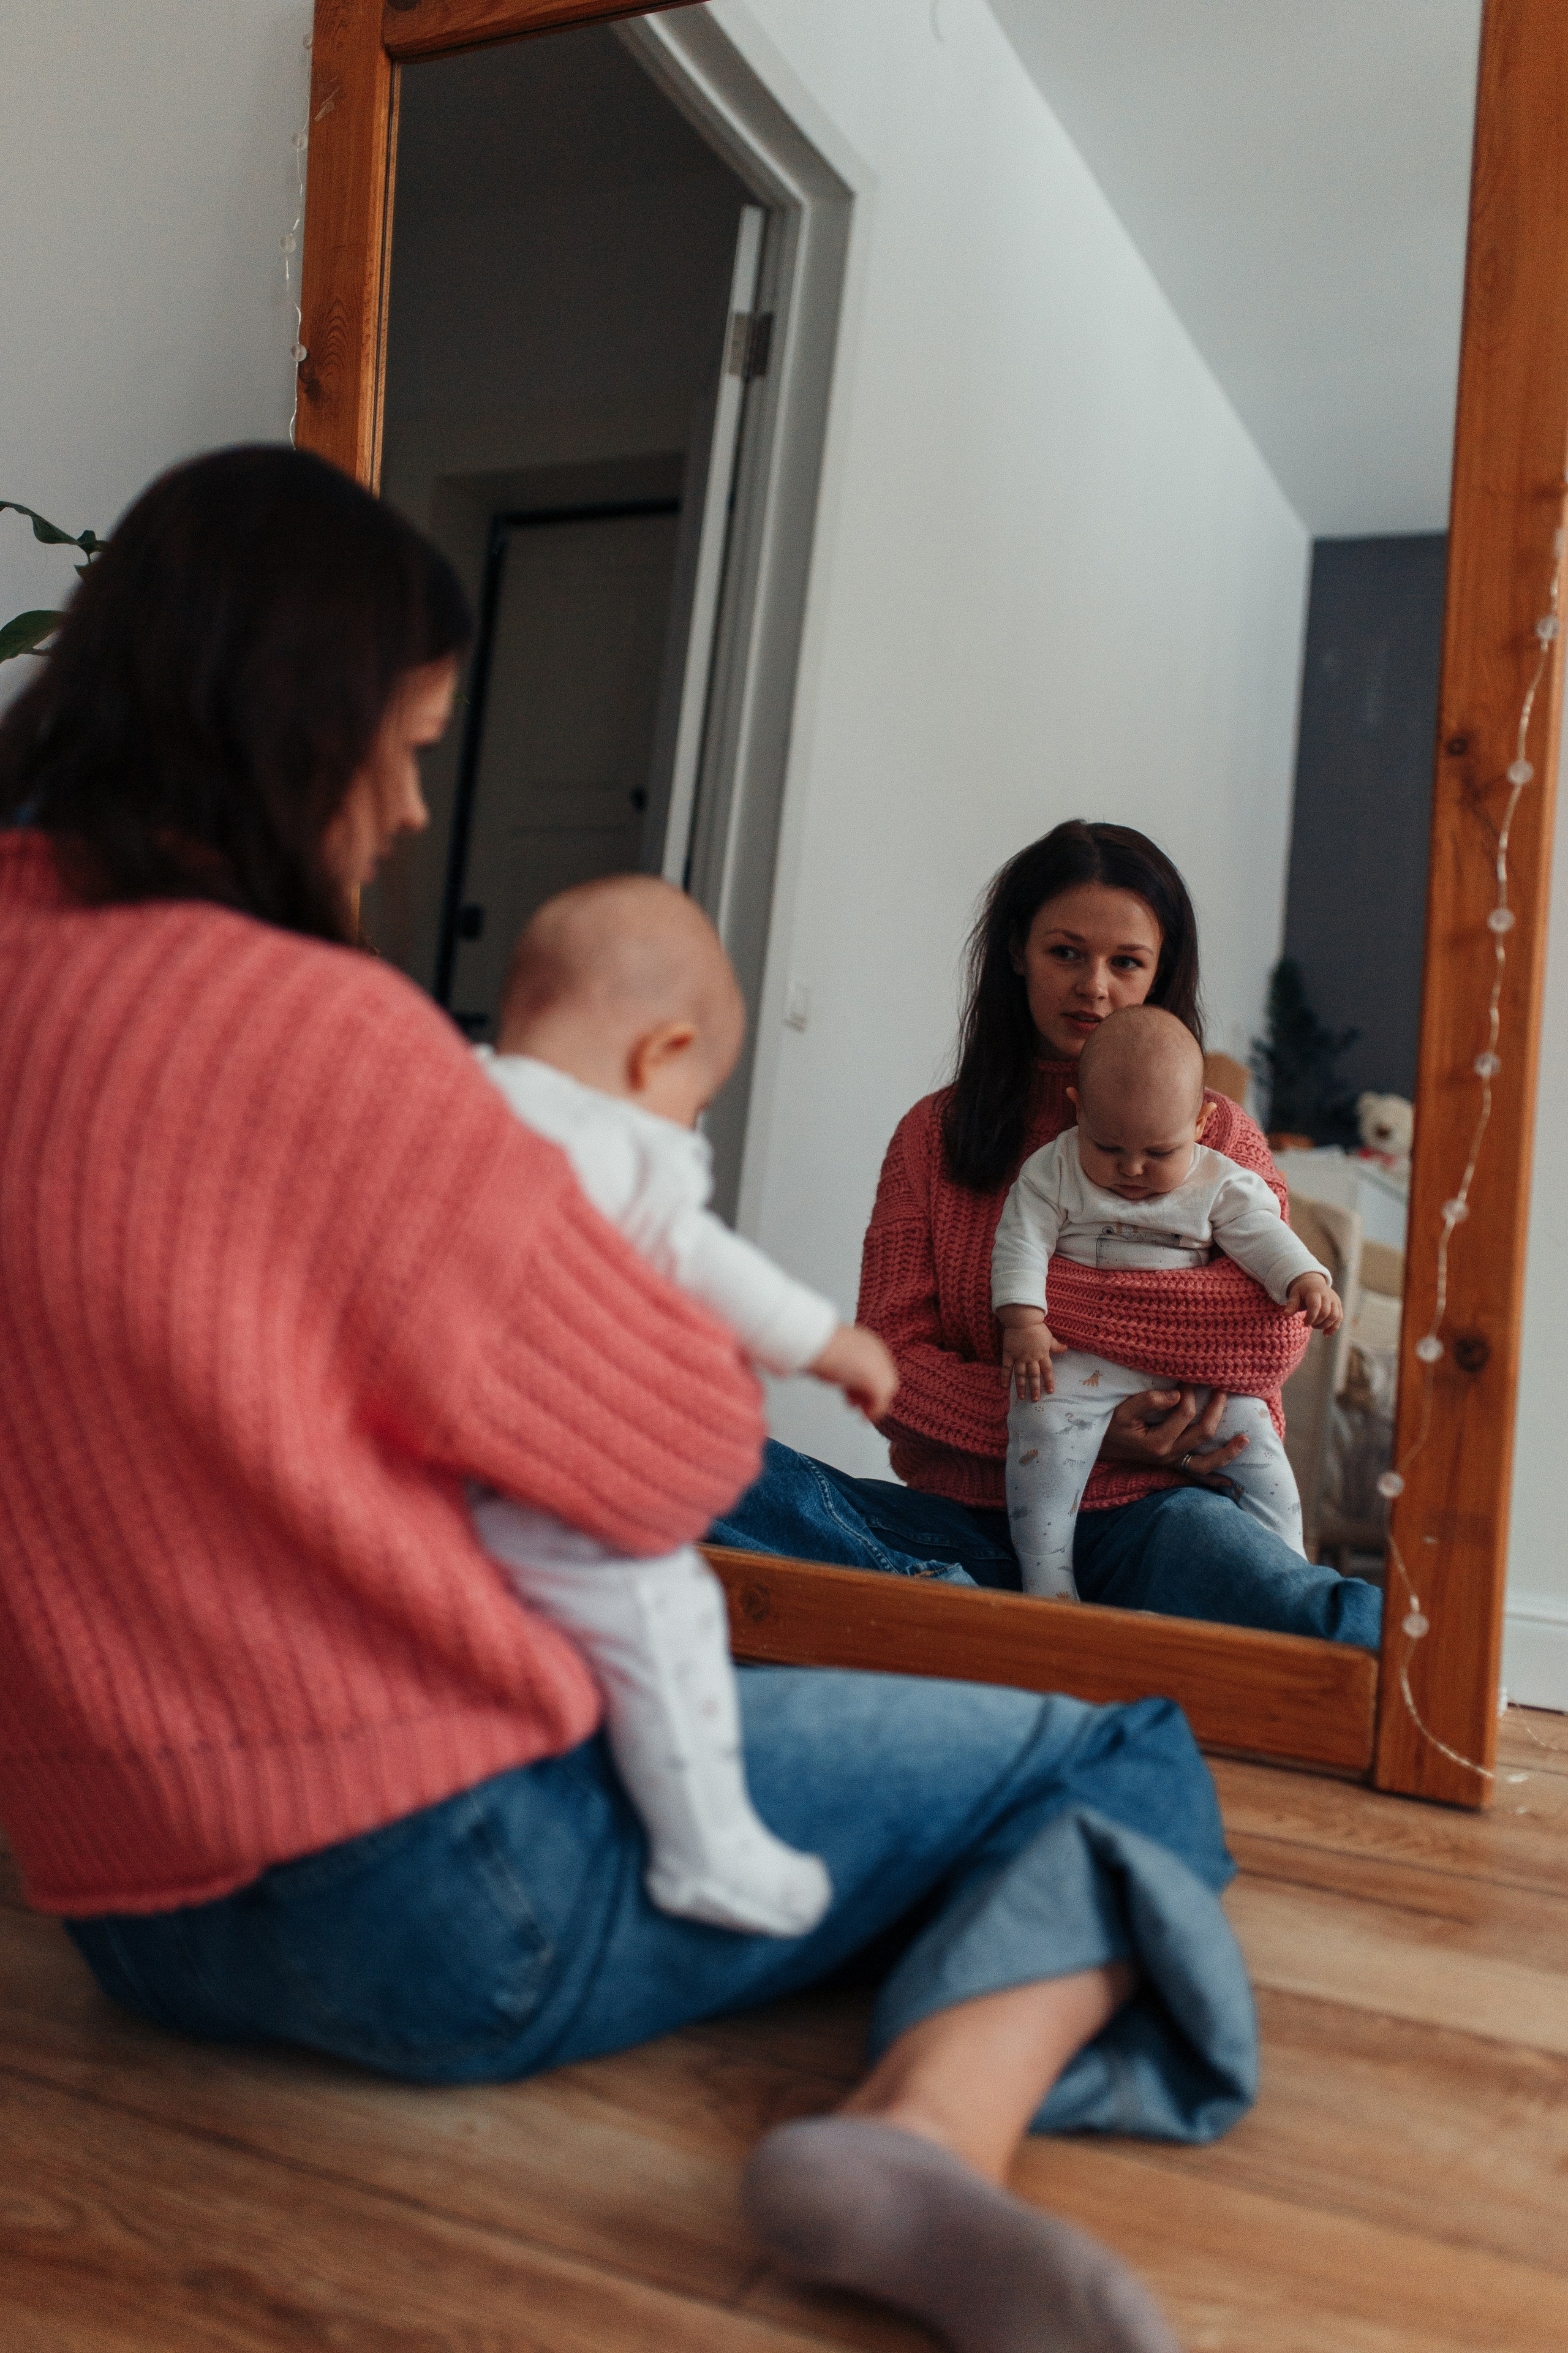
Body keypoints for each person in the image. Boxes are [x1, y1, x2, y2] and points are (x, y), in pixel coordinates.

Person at [0, 446, 1257, 2353]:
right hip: (433, 1898)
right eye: (401, 743)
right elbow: (678, 1446)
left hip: (118, 1903)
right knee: (1114, 1743)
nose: (410, 806)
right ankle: (920, 2137)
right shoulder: (320, 1036)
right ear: (285, 721)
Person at [715, 820, 1383, 1646]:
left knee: (1323, 1616)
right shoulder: (933, 1137)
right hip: (962, 1518)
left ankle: (965, 1624)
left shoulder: (1222, 1138)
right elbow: (890, 1361)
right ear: (1016, 954)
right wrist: (1073, 1419)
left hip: (1160, 1513)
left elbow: (1268, 1341)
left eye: (1126, 963)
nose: (1094, 987)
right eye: (1066, 952)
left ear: (1160, 970)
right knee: (704, 1464)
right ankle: (974, 1605)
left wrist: (1043, 1312)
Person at [472, 874, 897, 1938]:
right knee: (667, 1613)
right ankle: (710, 1851)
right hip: (551, 1474)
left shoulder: (452, 1088)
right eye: (698, 1101)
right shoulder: (627, 1142)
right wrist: (824, 1340)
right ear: (659, 1054)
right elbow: (703, 1261)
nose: (689, 1129)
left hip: (430, 1463)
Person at [993, 1002, 1341, 1598]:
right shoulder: (1051, 1169)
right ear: (1078, 1109)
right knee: (1040, 1428)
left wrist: (1303, 1278)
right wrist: (1023, 1320)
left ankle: (1289, 1572)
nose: (1130, 1169)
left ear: (1202, 1123)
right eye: (1106, 1146)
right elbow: (1021, 1238)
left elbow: (1262, 1234)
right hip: (1085, 1363)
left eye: (1158, 1153)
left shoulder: (1217, 1179)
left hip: (1195, 1378)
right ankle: (1046, 1574)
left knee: (1260, 1451)